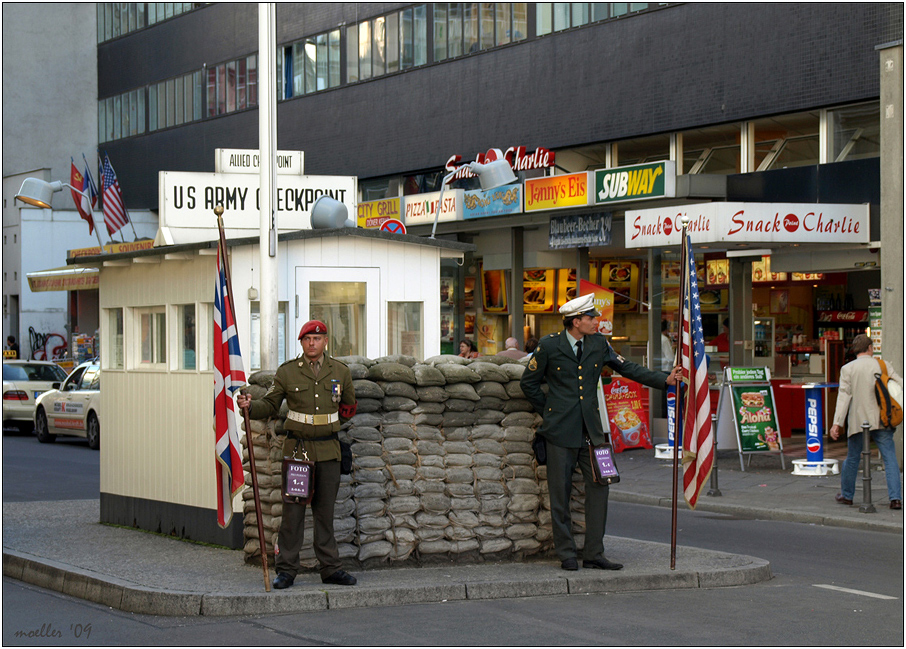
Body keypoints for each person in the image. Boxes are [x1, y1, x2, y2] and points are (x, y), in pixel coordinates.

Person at [520, 294, 681, 571]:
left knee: (600, 488)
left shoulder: (598, 344)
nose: (597, 321)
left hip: (592, 432)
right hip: (559, 432)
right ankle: (567, 553)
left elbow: (626, 367)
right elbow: (529, 383)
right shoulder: (549, 346)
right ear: (575, 322)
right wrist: (550, 411)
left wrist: (663, 380)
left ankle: (594, 552)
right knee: (560, 493)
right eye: (591, 318)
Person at [236, 320, 358, 589]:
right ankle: (287, 570)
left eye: (317, 338)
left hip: (328, 451)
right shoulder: (288, 372)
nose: (312, 343)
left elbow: (349, 405)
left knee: (325, 513)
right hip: (298, 454)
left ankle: (331, 568)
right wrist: (249, 405)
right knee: (292, 515)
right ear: (301, 343)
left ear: (326, 341)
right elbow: (269, 404)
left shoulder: (340, 371)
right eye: (307, 339)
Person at [829, 334, 903, 510]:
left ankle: (847, 495)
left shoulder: (848, 369)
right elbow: (899, 385)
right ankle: (895, 499)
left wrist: (836, 423)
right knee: (890, 458)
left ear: (855, 350)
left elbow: (844, 397)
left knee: (853, 458)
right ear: (870, 348)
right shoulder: (883, 365)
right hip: (883, 419)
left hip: (859, 421)